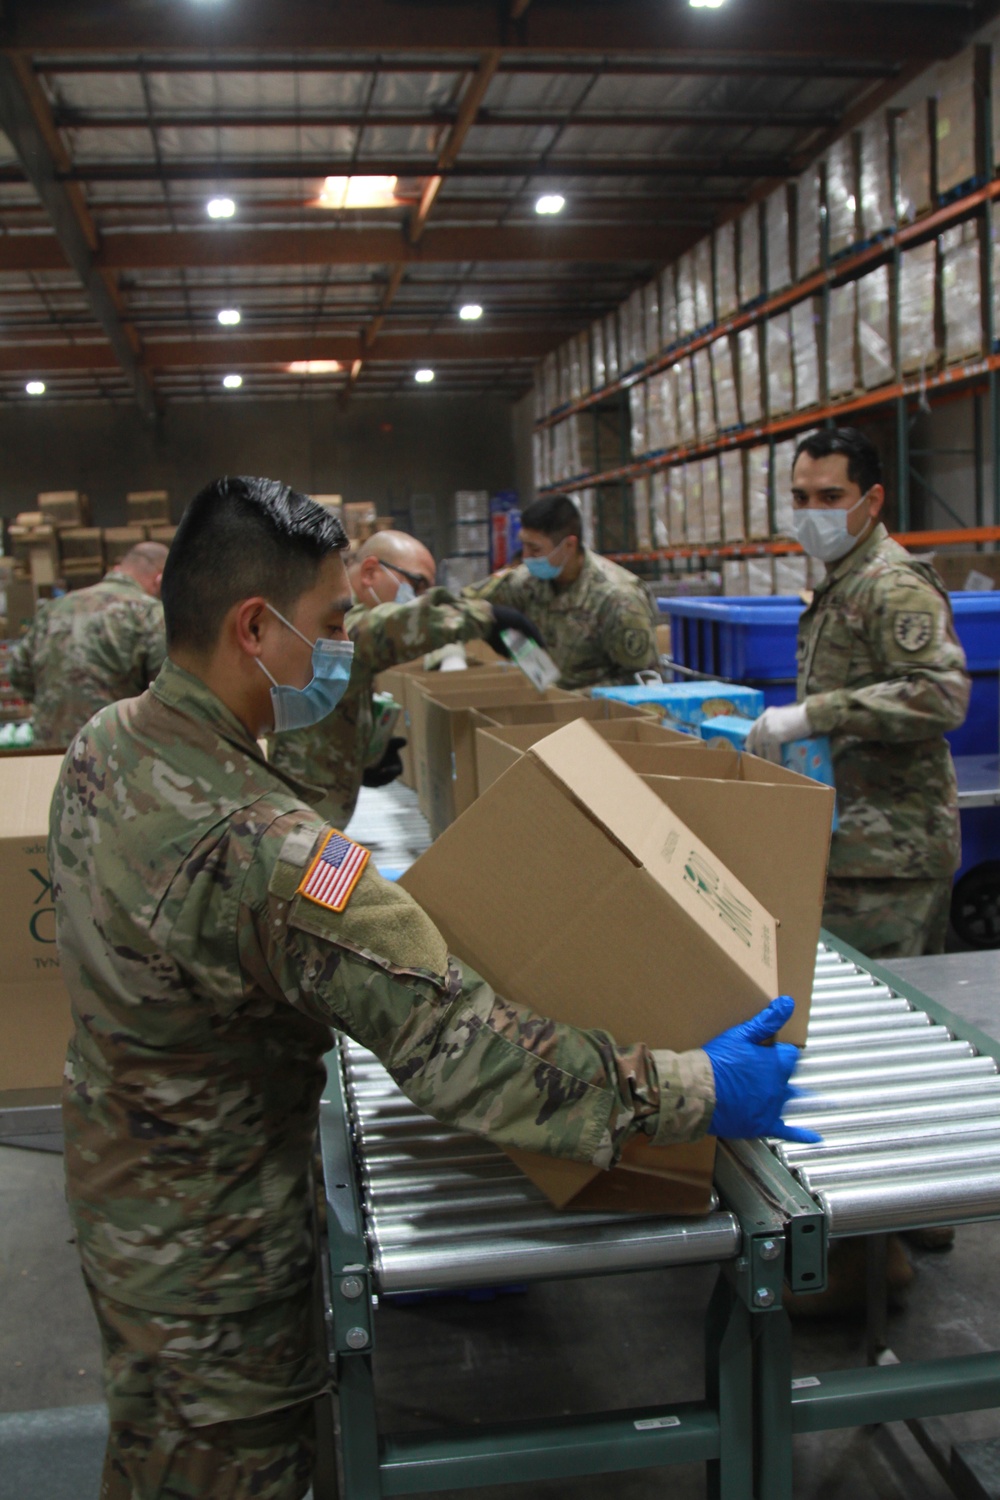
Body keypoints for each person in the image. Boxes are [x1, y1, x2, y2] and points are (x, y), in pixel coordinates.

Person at [50, 476, 812, 1500]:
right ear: (253, 628)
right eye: (330, 623)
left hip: (121, 1214)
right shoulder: (272, 853)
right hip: (221, 1272)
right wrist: (692, 1087)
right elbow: (467, 1055)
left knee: (149, 1459)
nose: (344, 645)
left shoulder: (108, 744)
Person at [747, 428, 969, 961]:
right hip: (850, 849)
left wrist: (815, 714)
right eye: (801, 498)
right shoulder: (843, 580)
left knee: (891, 1024)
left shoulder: (891, 583)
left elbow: (942, 693)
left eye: (830, 498)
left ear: (871, 500)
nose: (811, 512)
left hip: (892, 859)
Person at [266, 528, 540, 829]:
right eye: (417, 584)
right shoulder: (330, 619)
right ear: (370, 572)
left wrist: (364, 757)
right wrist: (484, 617)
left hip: (317, 812)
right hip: (299, 821)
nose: (419, 598)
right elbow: (382, 631)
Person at [466, 494, 659, 690]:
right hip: (547, 701)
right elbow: (464, 603)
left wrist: (575, 699)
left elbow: (645, 680)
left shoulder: (619, 599)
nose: (525, 557)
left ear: (568, 545)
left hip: (599, 713)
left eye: (534, 549)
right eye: (523, 545)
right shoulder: (527, 582)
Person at [7, 541, 168, 750]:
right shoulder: (150, 614)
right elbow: (164, 691)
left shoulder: (54, 609)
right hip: (111, 754)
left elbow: (18, 675)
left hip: (49, 750)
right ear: (159, 579)